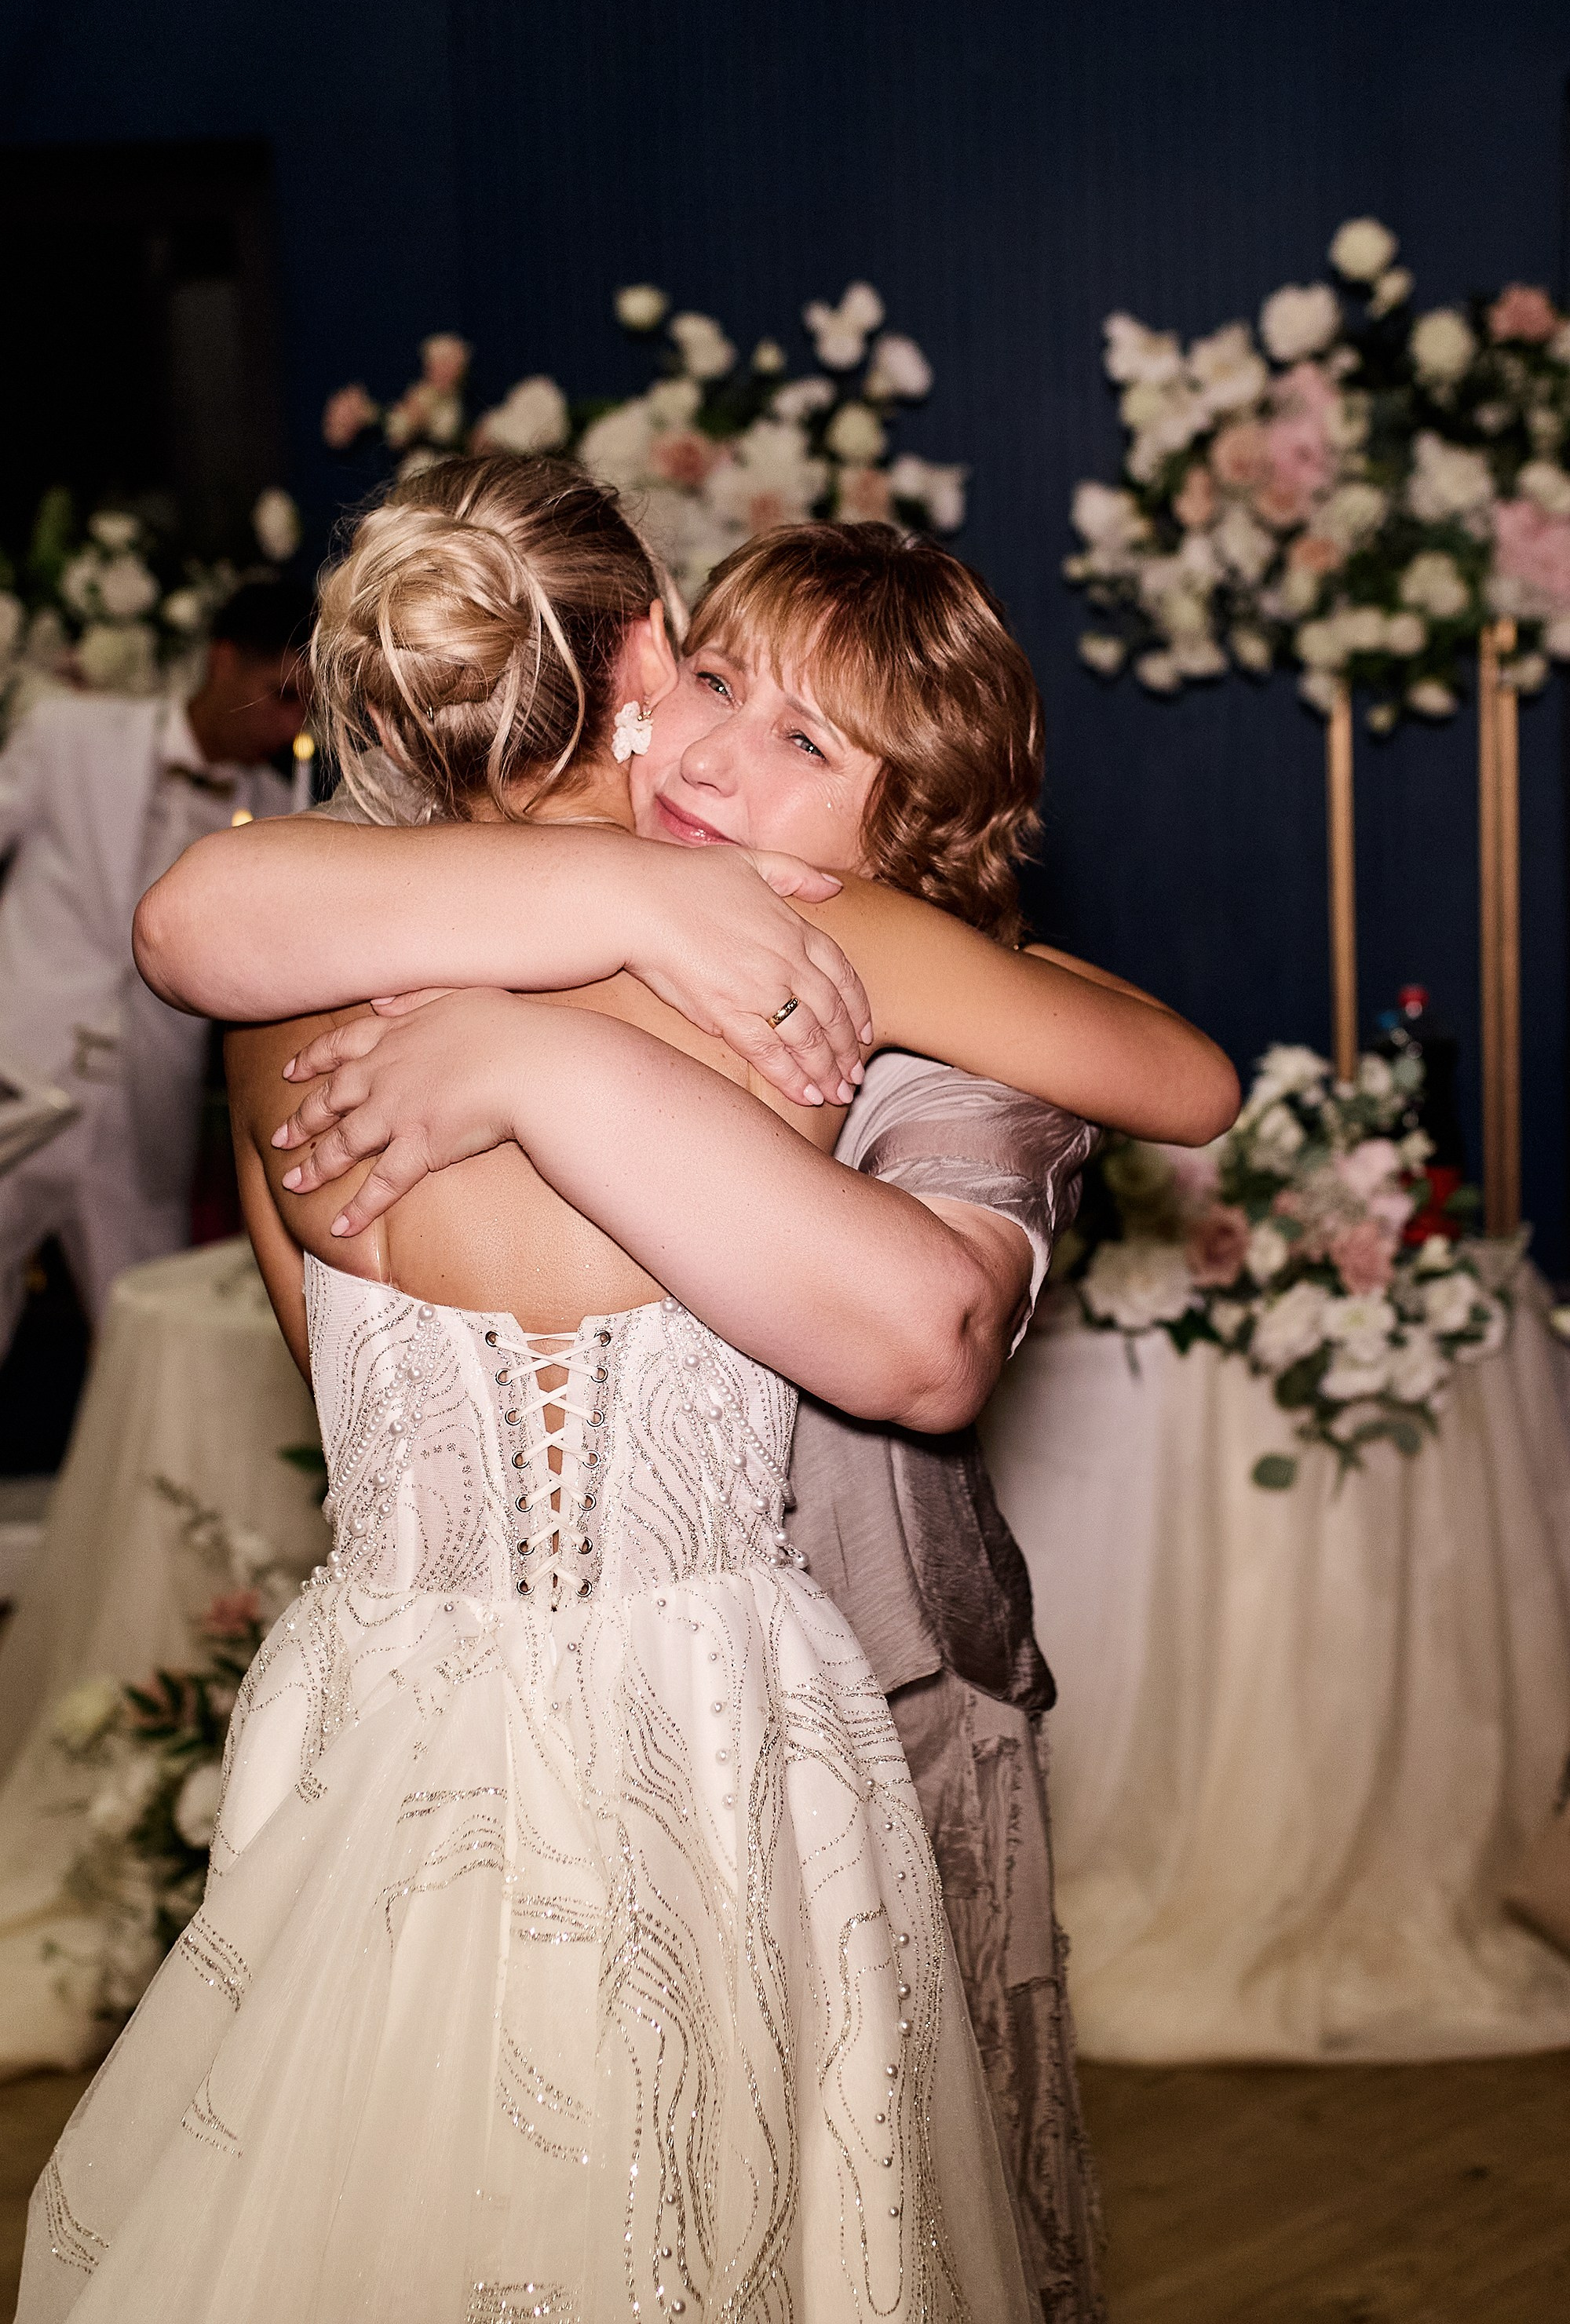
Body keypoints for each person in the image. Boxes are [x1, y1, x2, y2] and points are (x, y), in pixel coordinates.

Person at [132, 494, 1237, 2316]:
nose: (723, 752)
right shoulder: (720, 936)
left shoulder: (341, 968)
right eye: (720, 682)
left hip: (620, 1700)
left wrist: (530, 1054)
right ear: (640, 671)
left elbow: (1011, 1244)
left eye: (804, 739)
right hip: (679, 1707)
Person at [0, 581, 312, 1357]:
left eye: (306, 707)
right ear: (222, 658)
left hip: (146, 1110)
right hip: (18, 1078)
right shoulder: (69, 732)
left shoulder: (279, 818)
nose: (291, 724)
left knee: (147, 1347)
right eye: (279, 695)